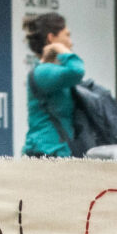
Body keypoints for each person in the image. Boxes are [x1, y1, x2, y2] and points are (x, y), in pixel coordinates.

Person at [22, 12, 82, 158]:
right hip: (46, 154)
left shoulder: (58, 75)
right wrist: (62, 50)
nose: (71, 42)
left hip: (59, 153)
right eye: (67, 35)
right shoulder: (43, 72)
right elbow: (77, 70)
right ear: (51, 38)